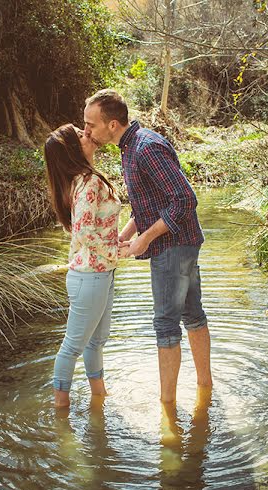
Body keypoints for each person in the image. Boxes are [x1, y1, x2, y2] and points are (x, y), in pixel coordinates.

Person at [83, 89, 212, 404]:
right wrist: (127, 233)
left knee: (165, 323)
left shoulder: (145, 148)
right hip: (179, 243)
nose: (86, 131)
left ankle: (167, 408)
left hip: (174, 246)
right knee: (193, 314)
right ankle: (205, 389)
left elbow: (185, 200)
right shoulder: (130, 148)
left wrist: (145, 238)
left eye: (91, 125)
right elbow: (150, 203)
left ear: (113, 125)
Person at [43, 124, 124, 410]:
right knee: (73, 346)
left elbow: (89, 231)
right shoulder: (87, 183)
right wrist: (115, 250)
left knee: (97, 341)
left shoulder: (82, 180)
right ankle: (60, 409)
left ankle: (99, 396)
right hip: (90, 275)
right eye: (79, 134)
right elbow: (83, 232)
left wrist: (114, 252)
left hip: (99, 272)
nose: (86, 133)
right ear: (71, 150)